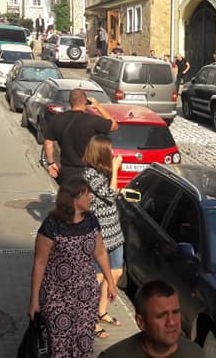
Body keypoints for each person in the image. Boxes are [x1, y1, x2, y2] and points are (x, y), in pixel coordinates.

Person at [28, 178, 116, 358]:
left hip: (86, 296)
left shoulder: (91, 220)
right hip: (56, 297)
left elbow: (100, 253)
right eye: (87, 194)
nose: (91, 197)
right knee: (59, 345)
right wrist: (34, 299)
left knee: (83, 342)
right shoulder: (52, 225)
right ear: (74, 199)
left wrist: (110, 282)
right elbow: (40, 263)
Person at [80, 136, 125, 339]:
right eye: (110, 150)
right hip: (100, 234)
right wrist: (116, 170)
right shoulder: (89, 174)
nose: (113, 153)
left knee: (115, 272)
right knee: (97, 278)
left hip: (114, 231)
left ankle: (101, 311)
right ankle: (89, 320)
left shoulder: (102, 172)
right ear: (101, 153)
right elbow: (110, 194)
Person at [98, 281, 203, 358]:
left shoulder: (194, 353)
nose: (171, 322)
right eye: (161, 316)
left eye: (175, 312)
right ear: (141, 322)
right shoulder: (113, 356)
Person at [44, 90, 118, 184]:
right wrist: (98, 107)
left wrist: (51, 163)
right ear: (85, 102)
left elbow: (48, 143)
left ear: (70, 102)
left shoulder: (57, 119)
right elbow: (114, 126)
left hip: (66, 170)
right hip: (88, 172)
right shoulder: (92, 120)